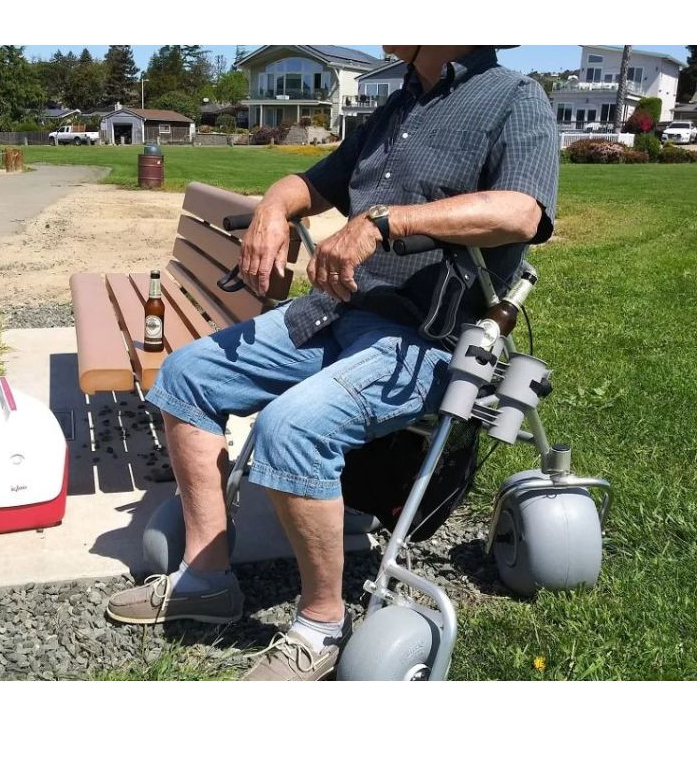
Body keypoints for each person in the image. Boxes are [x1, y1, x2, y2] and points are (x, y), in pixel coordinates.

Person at [107, 45, 560, 680]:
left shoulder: (515, 97)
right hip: (337, 310)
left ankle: (321, 624)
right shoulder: (398, 104)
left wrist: (383, 222)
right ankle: (206, 578)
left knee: (292, 427)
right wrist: (272, 209)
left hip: (425, 334)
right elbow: (312, 183)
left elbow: (522, 212)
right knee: (187, 377)